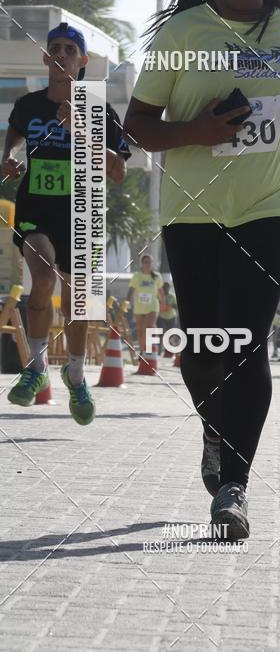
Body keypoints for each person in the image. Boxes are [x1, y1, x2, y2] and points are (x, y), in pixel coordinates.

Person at [123, 0, 280, 539]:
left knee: (244, 341)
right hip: (194, 212)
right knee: (202, 345)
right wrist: (200, 131)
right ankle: (215, 430)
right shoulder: (180, 35)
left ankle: (234, 487)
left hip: (270, 206)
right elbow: (138, 125)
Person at [2, 22, 130, 423]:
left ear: (82, 61)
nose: (60, 54)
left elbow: (119, 171)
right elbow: (15, 137)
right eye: (53, 47)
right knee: (41, 276)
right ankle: (36, 369)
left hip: (82, 210)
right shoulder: (28, 105)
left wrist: (82, 127)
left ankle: (75, 373)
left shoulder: (98, 108)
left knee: (80, 297)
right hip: (36, 206)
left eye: (69, 49)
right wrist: (9, 159)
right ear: (45, 57)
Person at [127, 255, 164, 358]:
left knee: (149, 326)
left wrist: (163, 302)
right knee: (140, 331)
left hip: (152, 306)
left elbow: (161, 291)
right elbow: (131, 290)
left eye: (150, 262)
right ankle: (143, 351)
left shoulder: (157, 276)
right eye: (146, 262)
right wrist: (127, 301)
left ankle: (152, 346)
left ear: (152, 264)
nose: (148, 264)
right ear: (142, 264)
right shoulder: (137, 276)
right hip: (139, 307)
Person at [156, 280, 177, 353]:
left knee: (170, 333)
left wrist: (170, 306)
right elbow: (156, 304)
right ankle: (159, 349)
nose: (165, 289)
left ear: (169, 288)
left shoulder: (172, 296)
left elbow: (176, 306)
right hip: (161, 316)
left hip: (171, 317)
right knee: (161, 332)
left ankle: (169, 350)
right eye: (164, 288)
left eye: (167, 288)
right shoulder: (159, 296)